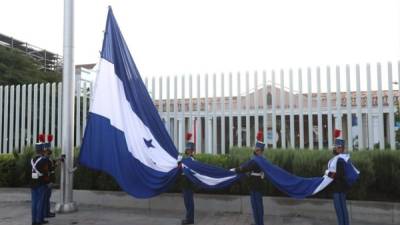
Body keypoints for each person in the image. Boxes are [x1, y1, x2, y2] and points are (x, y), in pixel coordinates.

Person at [233, 131, 265, 225]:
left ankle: (259, 223)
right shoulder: (261, 159)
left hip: (255, 184)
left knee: (257, 206)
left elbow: (245, 167)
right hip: (256, 184)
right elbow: (247, 166)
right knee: (257, 205)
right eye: (256, 149)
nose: (256, 150)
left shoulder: (256, 160)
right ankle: (258, 222)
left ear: (261, 151)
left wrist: (236, 169)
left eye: (258, 149)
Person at [326, 138, 358, 225]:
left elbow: (339, 175)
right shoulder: (343, 158)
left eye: (339, 147)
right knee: (343, 210)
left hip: (338, 189)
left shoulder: (339, 160)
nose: (337, 148)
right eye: (336, 147)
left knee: (340, 210)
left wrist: (328, 173)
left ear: (342, 148)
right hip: (341, 188)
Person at [31, 134, 51, 225]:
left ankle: (34, 220)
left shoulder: (32, 160)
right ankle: (39, 220)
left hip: (33, 183)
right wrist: (48, 182)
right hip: (41, 183)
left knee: (34, 203)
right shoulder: (44, 160)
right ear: (42, 150)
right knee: (40, 202)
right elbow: (46, 172)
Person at [179, 133, 196, 225]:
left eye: (189, 149)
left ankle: (190, 219)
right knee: (186, 202)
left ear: (192, 151)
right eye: (187, 149)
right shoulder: (185, 159)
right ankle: (189, 218)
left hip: (188, 183)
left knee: (189, 202)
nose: (188, 151)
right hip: (184, 183)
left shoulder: (192, 160)